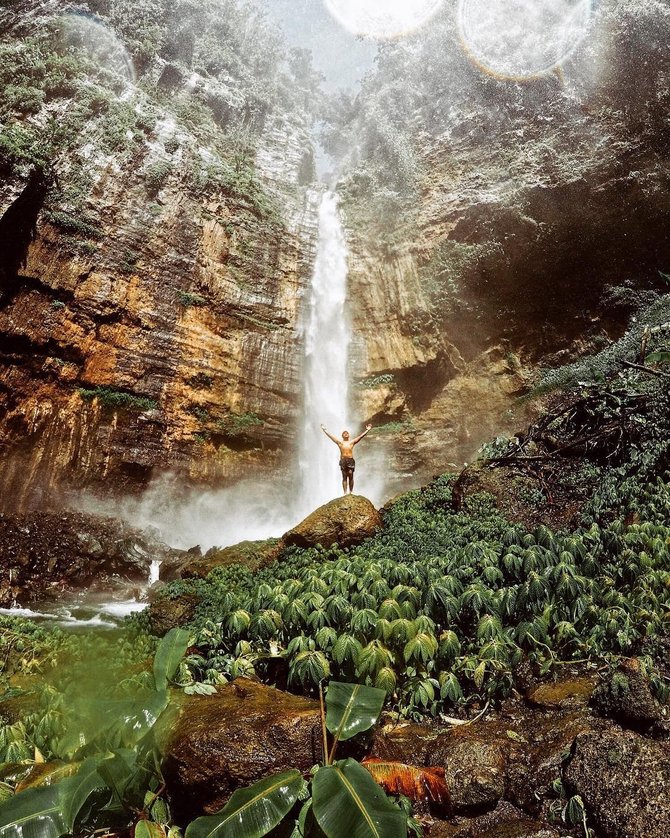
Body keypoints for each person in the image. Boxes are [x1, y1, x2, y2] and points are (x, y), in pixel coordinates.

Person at [320, 423, 373, 495]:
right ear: (342, 436)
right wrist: (324, 430)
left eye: (347, 433)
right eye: (344, 433)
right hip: (343, 460)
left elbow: (361, 436)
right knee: (344, 476)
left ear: (349, 435)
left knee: (351, 475)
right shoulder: (340, 443)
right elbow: (331, 437)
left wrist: (367, 430)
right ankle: (345, 493)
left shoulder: (352, 442)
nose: (346, 434)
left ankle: (351, 492)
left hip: (350, 460)